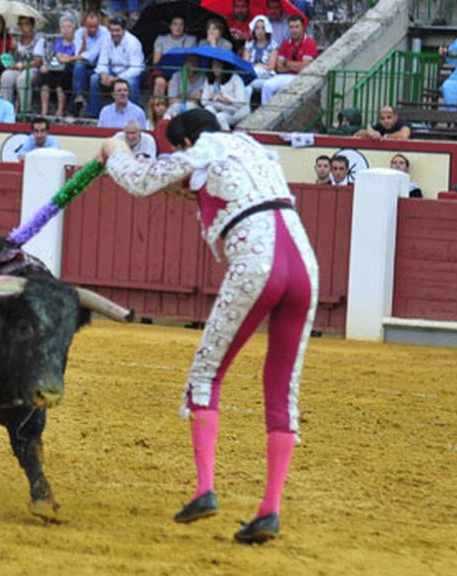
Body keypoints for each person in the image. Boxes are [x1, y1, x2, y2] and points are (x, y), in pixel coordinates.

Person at [98, 108, 318, 545]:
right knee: (281, 389)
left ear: (184, 143)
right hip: (305, 266)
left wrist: (115, 150)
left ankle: (204, 489)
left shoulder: (200, 150)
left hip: (257, 263)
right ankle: (270, 509)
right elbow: (206, 189)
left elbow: (140, 182)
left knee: (205, 376)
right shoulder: (254, 148)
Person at [89, 17, 145, 119]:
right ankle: (93, 114)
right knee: (94, 79)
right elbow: (102, 61)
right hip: (112, 71)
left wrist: (117, 79)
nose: (114, 33)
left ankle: (133, 115)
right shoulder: (106, 40)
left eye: (117, 30)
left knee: (131, 83)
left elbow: (136, 68)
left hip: (130, 73)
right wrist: (103, 74)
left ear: (124, 30)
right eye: (112, 30)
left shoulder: (133, 43)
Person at [261, 15, 316, 105]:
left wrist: (286, 63)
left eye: (297, 27)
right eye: (291, 27)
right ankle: (265, 114)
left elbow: (306, 67)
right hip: (284, 76)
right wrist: (297, 65)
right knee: (267, 86)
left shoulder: (309, 42)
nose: (294, 30)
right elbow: (279, 67)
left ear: (303, 28)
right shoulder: (285, 43)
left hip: (301, 77)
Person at [0, 15, 45, 114]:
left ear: (32, 25)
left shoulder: (39, 39)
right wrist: (11, 49)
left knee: (23, 79)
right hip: (17, 68)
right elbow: (11, 58)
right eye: (21, 24)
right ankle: (6, 108)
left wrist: (20, 66)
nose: (24, 27)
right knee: (6, 76)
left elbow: (38, 61)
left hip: (32, 69)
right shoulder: (16, 39)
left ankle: (25, 110)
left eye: (27, 24)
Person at [37, 12, 78, 118]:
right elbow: (51, 57)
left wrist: (65, 58)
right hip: (55, 67)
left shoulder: (77, 42)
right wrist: (46, 65)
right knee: (44, 78)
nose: (65, 29)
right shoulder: (57, 41)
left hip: (68, 69)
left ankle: (60, 110)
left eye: (68, 27)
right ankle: (44, 111)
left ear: (74, 29)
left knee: (61, 82)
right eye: (63, 27)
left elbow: (74, 57)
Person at [72, 10, 109, 117]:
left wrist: (69, 58)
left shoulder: (104, 32)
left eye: (95, 26)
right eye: (89, 26)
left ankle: (88, 111)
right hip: (84, 64)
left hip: (100, 64)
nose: (93, 29)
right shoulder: (79, 33)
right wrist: (84, 42)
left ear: (99, 25)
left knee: (93, 78)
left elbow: (94, 54)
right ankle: (79, 96)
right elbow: (79, 54)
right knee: (78, 66)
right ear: (84, 25)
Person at [200, 58, 250, 131]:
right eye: (213, 65)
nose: (215, 68)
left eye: (219, 65)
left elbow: (240, 103)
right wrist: (212, 98)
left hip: (236, 110)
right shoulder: (209, 79)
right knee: (207, 110)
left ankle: (227, 136)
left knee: (220, 117)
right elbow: (203, 101)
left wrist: (226, 99)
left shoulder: (235, 78)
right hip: (219, 107)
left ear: (225, 66)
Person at [242, 15, 278, 99]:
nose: (260, 31)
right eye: (257, 28)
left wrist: (257, 66)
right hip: (251, 76)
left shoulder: (273, 45)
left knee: (266, 86)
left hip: (267, 76)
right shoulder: (249, 45)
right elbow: (245, 65)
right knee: (246, 86)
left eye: (263, 28)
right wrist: (258, 65)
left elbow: (271, 67)